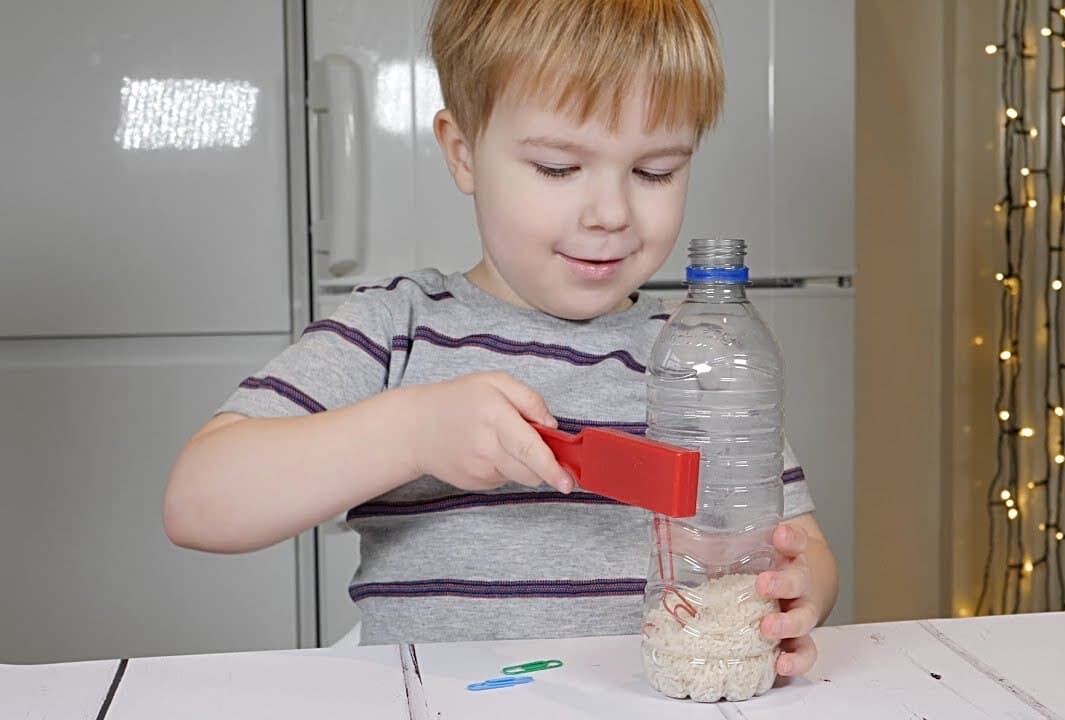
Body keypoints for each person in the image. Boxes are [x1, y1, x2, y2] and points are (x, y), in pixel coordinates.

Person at [163, 0, 837, 679]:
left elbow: (798, 544)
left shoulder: (698, 355)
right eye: (556, 167)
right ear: (464, 154)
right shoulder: (398, 330)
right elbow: (198, 502)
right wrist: (411, 435)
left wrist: (797, 593)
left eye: (654, 171)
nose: (611, 214)